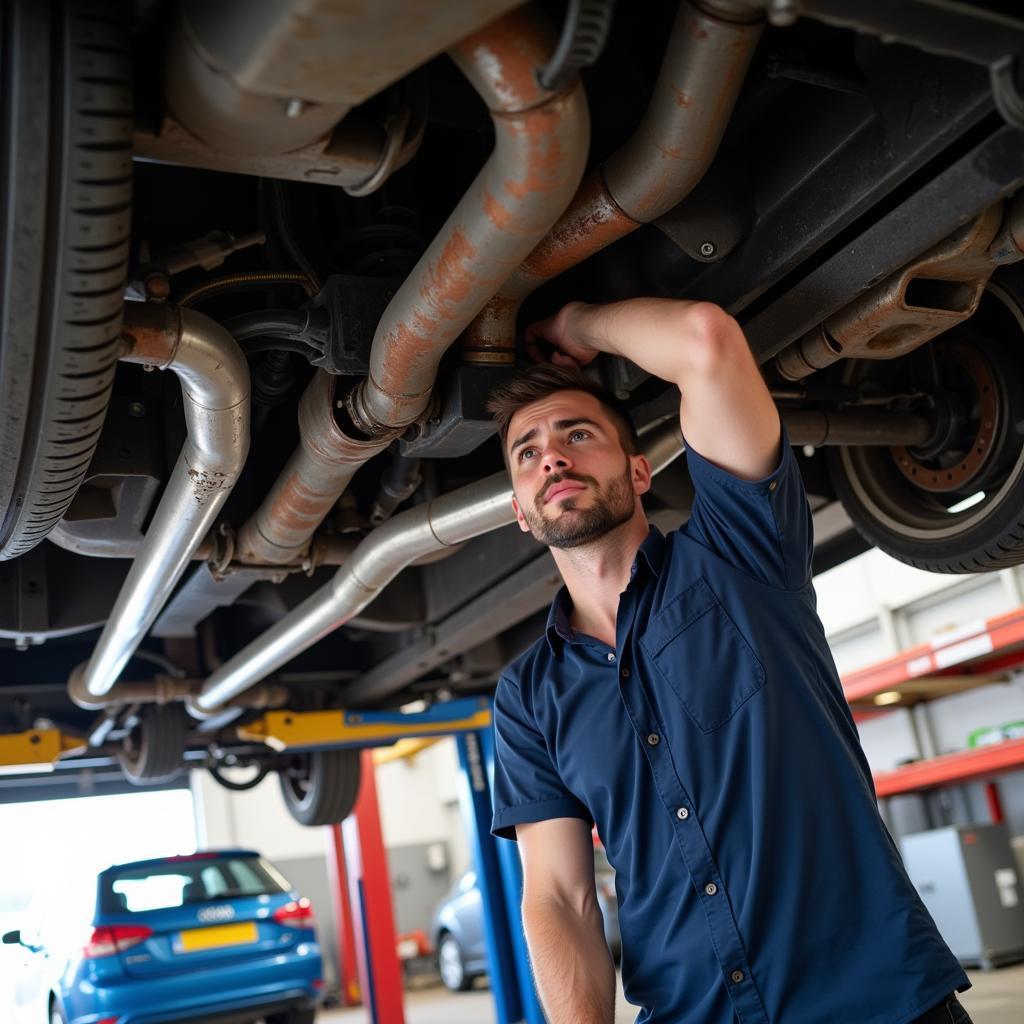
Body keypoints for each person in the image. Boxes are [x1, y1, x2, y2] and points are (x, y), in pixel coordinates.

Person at [486, 297, 971, 1024]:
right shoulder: (529, 695)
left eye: (577, 434)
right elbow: (558, 896)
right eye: (528, 452)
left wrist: (575, 324)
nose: (552, 455)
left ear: (640, 470)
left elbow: (705, 340)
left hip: (877, 1002)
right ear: (523, 512)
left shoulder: (742, 553)